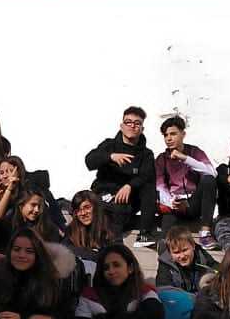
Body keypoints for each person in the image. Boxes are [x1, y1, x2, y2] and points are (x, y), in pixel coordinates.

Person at [0, 228, 72, 319]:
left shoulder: (50, 281)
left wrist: (23, 318)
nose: (21, 255)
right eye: (16, 249)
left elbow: (59, 316)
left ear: (37, 255)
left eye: (29, 251)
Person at [84, 106, 153, 238]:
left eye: (137, 123)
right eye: (128, 122)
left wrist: (130, 185)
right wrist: (110, 156)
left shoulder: (146, 154)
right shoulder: (109, 145)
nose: (132, 126)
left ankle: (145, 234)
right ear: (122, 126)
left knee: (147, 188)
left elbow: (146, 177)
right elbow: (89, 161)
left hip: (128, 199)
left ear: (142, 129)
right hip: (104, 194)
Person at [153, 116, 216, 229]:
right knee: (167, 234)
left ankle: (206, 230)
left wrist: (185, 158)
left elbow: (212, 173)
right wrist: (171, 202)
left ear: (183, 134)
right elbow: (160, 186)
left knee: (208, 179)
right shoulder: (162, 158)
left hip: (193, 203)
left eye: (173, 134)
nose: (168, 138)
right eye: (166, 135)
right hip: (174, 205)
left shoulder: (194, 152)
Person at [153, 226, 212, 293]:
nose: (182, 256)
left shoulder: (202, 256)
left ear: (193, 246)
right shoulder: (165, 263)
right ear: (170, 253)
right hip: (177, 297)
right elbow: (163, 290)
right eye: (176, 252)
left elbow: (217, 269)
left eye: (185, 250)